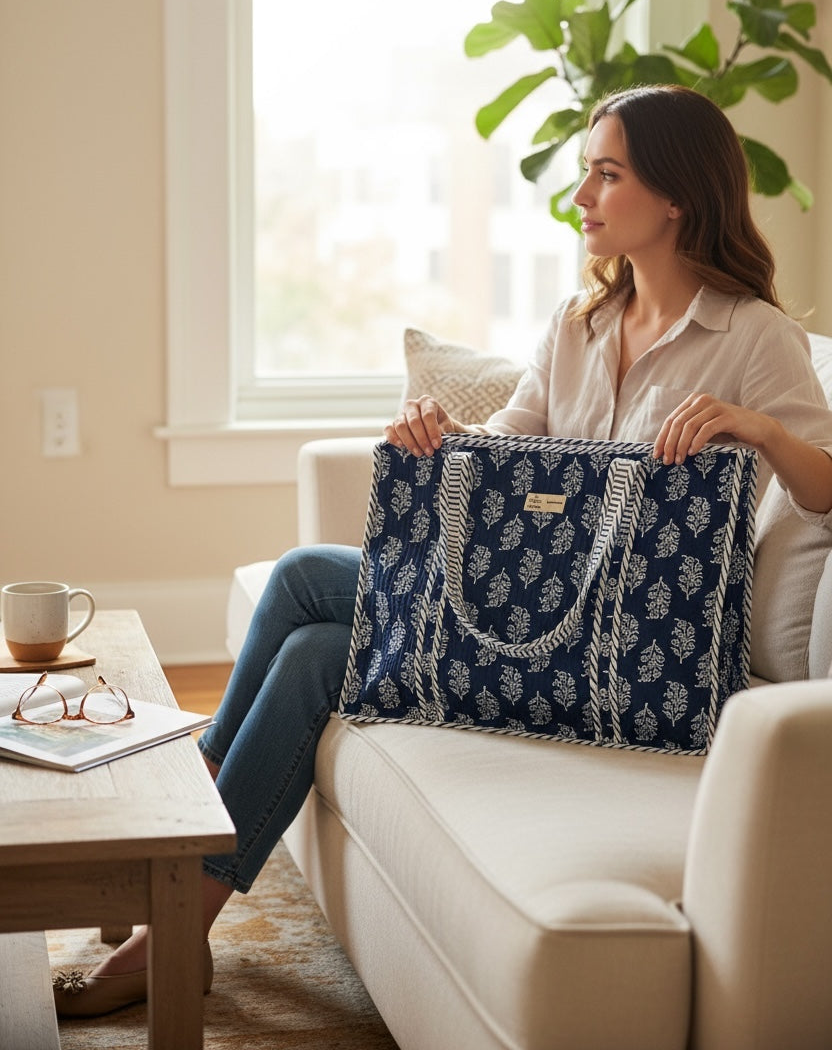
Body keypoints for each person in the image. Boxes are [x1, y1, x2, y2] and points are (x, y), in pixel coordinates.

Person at [53, 84, 832, 1018]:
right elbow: (510, 445)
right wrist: (443, 436)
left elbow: (824, 487)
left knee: (302, 579)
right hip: (533, 617)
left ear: (676, 195)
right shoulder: (577, 324)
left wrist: (760, 429)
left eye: (606, 174)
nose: (581, 195)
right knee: (315, 653)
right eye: (586, 172)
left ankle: (172, 849)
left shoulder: (754, 336)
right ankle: (179, 925)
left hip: (640, 656)